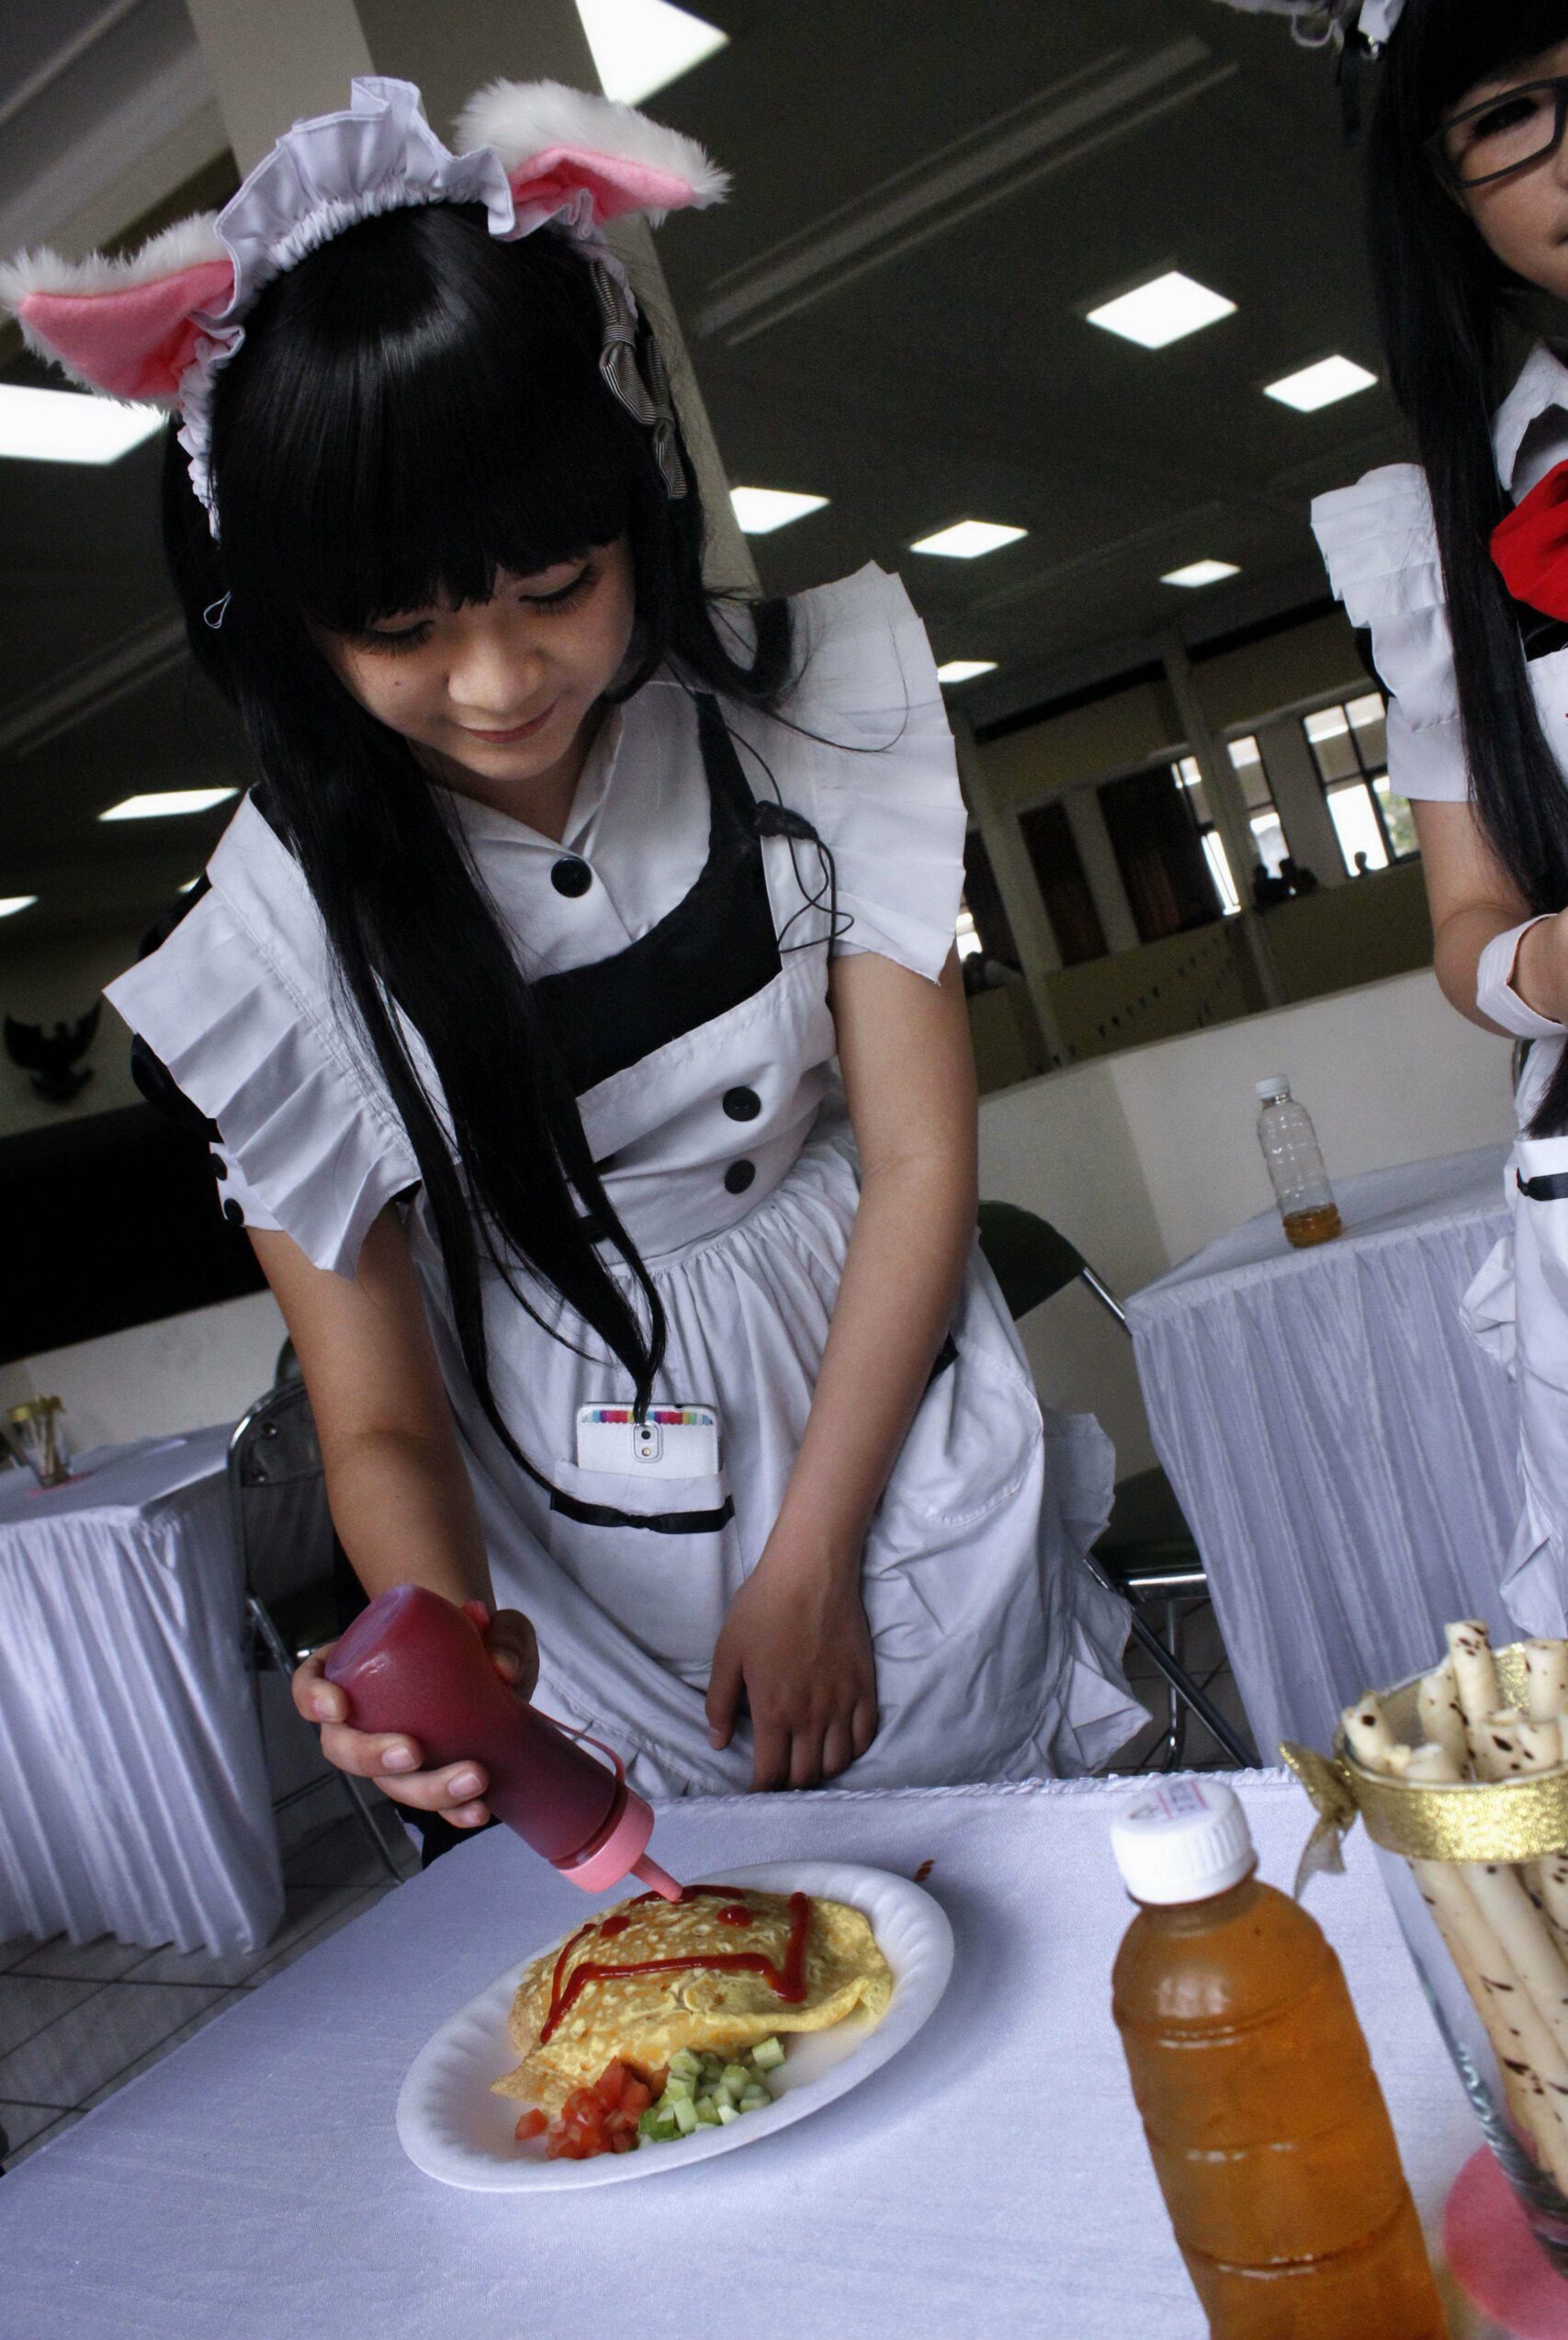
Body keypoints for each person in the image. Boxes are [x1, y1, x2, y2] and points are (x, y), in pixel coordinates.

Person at [3, 78, 1141, 1832]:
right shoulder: (272, 942)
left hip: (874, 1383)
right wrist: (446, 1648)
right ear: (293, 628)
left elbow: (923, 1162)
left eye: (554, 586)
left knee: (1013, 1846)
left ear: (638, 508)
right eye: (402, 628)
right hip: (567, 1529)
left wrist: (813, 1560)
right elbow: (375, 1420)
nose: (496, 681)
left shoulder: (808, 712)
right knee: (701, 1923)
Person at [1309, 0, 1568, 1628]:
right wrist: (1549, 967)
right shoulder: (1449, 526)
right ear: (1440, 182)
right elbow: (1465, 926)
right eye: (1510, 115)